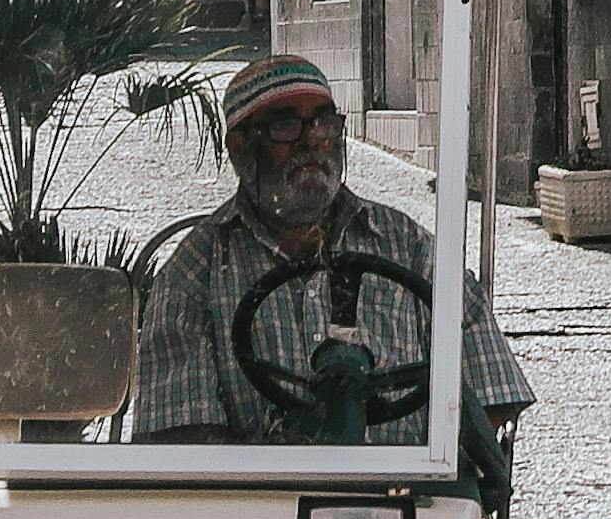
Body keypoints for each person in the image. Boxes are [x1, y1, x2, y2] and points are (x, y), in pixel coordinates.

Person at [131, 54, 532, 458]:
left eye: (324, 123)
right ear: (238, 146)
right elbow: (178, 438)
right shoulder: (196, 270)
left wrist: (423, 470)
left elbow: (492, 393)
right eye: (285, 127)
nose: (312, 141)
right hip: (258, 509)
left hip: (409, 502)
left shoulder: (407, 246)